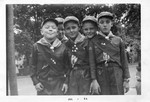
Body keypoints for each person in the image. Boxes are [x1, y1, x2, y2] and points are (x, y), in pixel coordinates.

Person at [85, 12, 130, 95]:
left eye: (107, 22)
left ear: (111, 24)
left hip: (116, 73)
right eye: (102, 22)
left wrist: (126, 79)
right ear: (98, 25)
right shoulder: (93, 41)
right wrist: (94, 80)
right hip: (101, 73)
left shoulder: (118, 40)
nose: (105, 25)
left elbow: (124, 61)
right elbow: (92, 63)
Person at [30, 18, 70, 95]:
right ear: (42, 31)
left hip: (59, 84)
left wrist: (66, 82)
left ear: (57, 32)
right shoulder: (36, 46)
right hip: (43, 84)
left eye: (54, 28)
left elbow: (67, 67)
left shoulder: (63, 47)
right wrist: (36, 82)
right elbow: (32, 66)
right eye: (47, 27)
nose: (50, 29)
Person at [64, 16, 91, 95]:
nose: (71, 30)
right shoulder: (66, 45)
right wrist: (66, 81)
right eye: (68, 28)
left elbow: (92, 62)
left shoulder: (87, 41)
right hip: (72, 76)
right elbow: (67, 65)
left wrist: (93, 79)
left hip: (86, 75)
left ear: (79, 28)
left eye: (73, 27)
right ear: (65, 30)